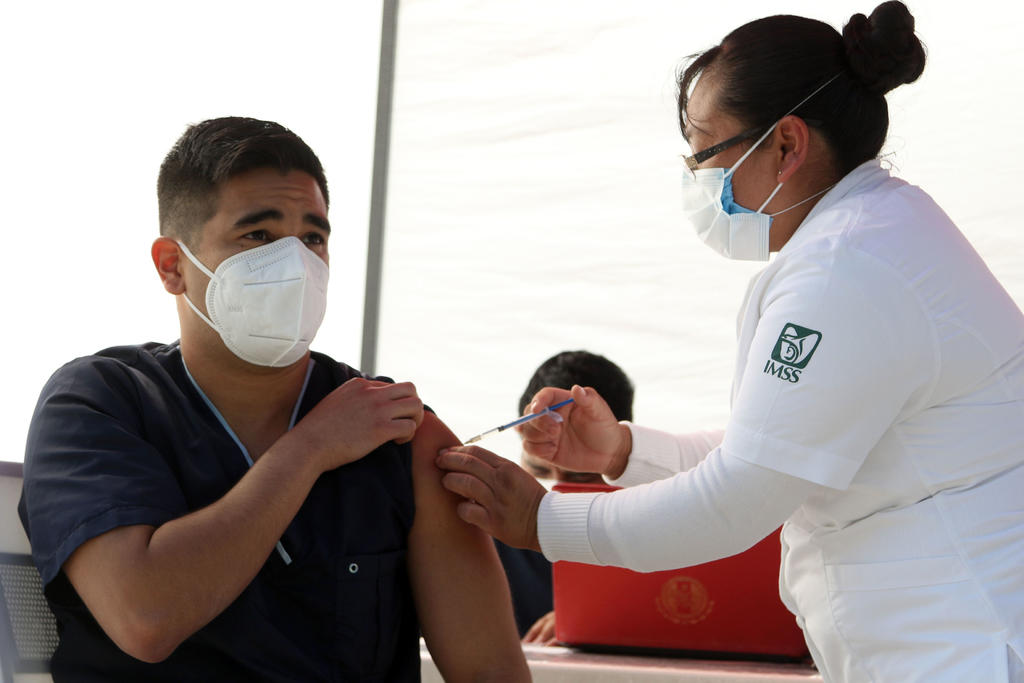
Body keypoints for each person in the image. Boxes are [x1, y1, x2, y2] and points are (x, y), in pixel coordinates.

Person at [436, 3, 1024, 681]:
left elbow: (734, 500)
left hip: (960, 645)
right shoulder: (871, 235)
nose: (695, 174)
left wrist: (544, 521)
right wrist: (622, 450)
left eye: (704, 149)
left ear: (786, 144)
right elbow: (772, 447)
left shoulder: (846, 270)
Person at [18, 117, 529, 682]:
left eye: (313, 238)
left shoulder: (398, 432)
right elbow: (146, 616)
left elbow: (492, 673)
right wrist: (310, 448)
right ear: (172, 265)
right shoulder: (100, 406)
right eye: (258, 236)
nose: (295, 265)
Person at [495, 350, 633, 644]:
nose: (553, 492)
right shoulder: (490, 532)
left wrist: (594, 619)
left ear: (621, 459)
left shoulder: (655, 530)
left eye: (579, 478)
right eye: (539, 471)